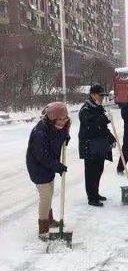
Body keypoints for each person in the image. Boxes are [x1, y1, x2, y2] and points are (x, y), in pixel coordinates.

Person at [26, 102, 70, 240]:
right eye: (60, 119)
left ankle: (49, 220)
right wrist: (57, 166)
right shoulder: (40, 132)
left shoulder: (57, 127)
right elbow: (42, 156)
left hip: (49, 165)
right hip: (38, 167)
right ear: (52, 118)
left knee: (49, 192)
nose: (63, 121)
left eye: (65, 118)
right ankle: (43, 229)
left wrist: (65, 137)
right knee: (45, 196)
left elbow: (59, 136)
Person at [79, 84, 116, 207]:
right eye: (100, 95)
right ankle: (92, 197)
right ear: (93, 94)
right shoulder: (85, 109)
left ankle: (96, 193)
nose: (101, 98)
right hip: (89, 146)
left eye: (103, 96)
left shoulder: (98, 107)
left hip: (99, 145)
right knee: (91, 172)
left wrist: (111, 138)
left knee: (99, 170)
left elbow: (102, 128)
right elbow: (91, 125)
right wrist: (104, 119)